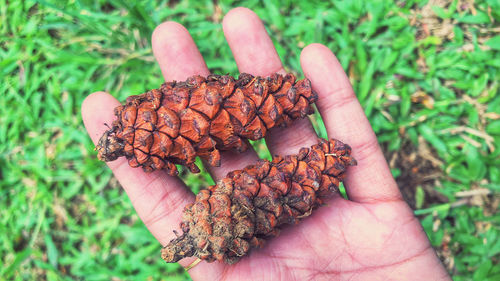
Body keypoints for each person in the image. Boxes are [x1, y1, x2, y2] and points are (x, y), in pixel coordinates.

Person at [82, 7, 451, 280]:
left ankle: (293, 106)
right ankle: (297, 113)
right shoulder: (153, 143)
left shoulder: (145, 127)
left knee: (247, 113)